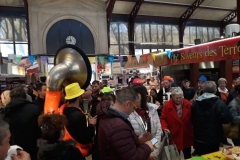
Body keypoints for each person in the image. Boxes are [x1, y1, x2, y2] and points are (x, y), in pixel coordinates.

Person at [97, 87, 154, 160]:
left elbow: (121, 148)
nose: (133, 110)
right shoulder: (118, 126)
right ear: (127, 104)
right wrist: (147, 146)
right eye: (134, 107)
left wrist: (136, 139)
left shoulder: (108, 115)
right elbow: (133, 158)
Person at [192, 81, 232, 155]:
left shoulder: (196, 103)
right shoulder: (220, 103)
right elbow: (227, 119)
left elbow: (191, 118)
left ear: (203, 90)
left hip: (198, 136)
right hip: (214, 137)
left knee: (200, 156)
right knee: (213, 156)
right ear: (215, 90)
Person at [59, 83, 97, 158]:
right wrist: (91, 125)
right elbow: (85, 138)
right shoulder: (78, 116)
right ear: (78, 96)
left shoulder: (64, 110)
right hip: (79, 152)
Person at [4, 87, 41, 160]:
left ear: (11, 98)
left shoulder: (6, 111)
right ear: (25, 96)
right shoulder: (35, 108)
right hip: (33, 144)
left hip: (13, 146)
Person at [128, 85, 162, 159]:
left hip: (152, 152)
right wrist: (143, 154)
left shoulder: (152, 109)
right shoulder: (128, 112)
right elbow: (128, 139)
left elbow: (158, 132)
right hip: (136, 154)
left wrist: (153, 149)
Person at [160, 87, 193, 159]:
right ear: (172, 97)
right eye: (176, 98)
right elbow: (163, 119)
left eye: (180, 97)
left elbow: (193, 117)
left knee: (188, 154)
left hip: (186, 133)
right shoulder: (167, 106)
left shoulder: (187, 103)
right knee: (174, 155)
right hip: (173, 134)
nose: (178, 100)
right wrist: (165, 128)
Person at [215, 78, 232, 146]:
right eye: (221, 83)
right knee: (219, 126)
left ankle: (225, 140)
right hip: (220, 110)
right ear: (218, 84)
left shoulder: (229, 90)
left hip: (227, 109)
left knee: (226, 126)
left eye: (223, 83)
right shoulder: (216, 91)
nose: (222, 84)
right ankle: (219, 141)